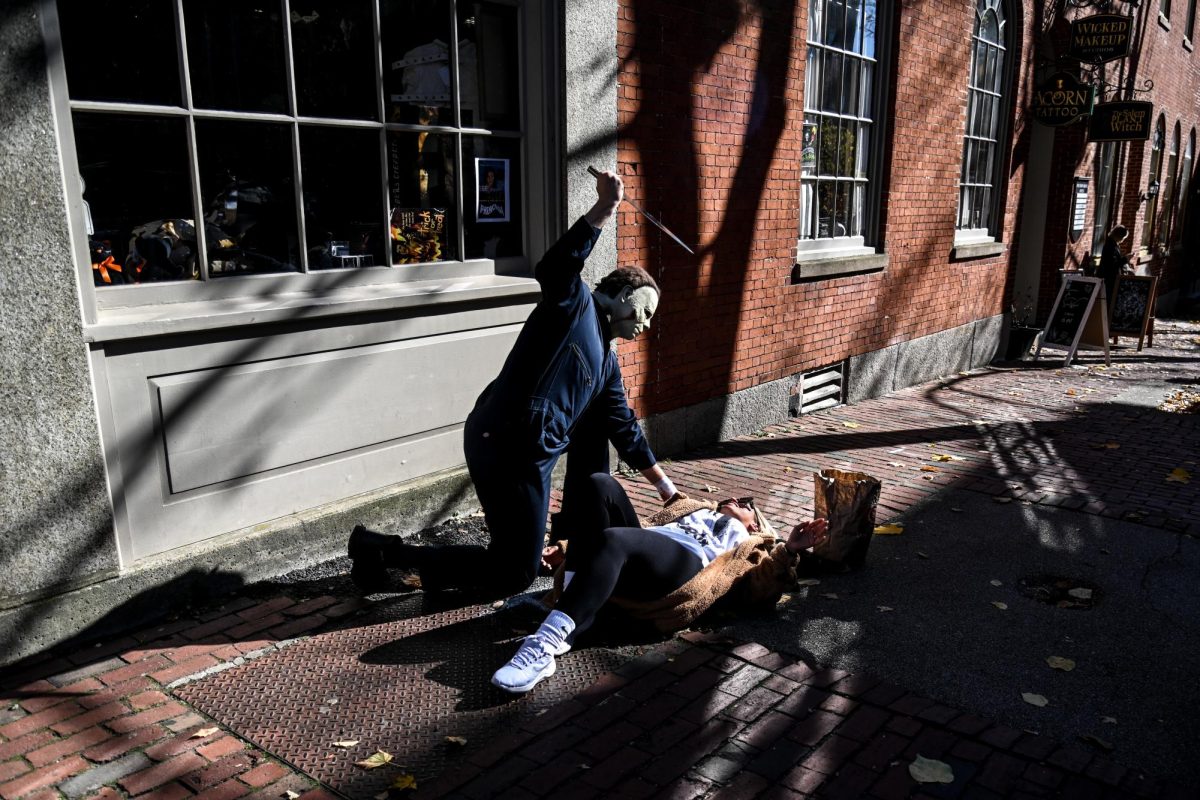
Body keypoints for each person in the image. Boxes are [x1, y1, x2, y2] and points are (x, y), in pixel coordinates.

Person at [349, 170, 677, 597]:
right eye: (645, 310)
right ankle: (384, 554)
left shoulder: (606, 363)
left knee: (516, 561)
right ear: (622, 295)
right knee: (514, 574)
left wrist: (667, 490)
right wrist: (605, 208)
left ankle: (388, 553)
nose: (646, 324)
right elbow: (555, 266)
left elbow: (624, 426)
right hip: (506, 445)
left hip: (527, 455)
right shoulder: (572, 306)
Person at [491, 473, 830, 693]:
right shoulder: (696, 508)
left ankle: (545, 645)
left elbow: (759, 591)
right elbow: (647, 526)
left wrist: (789, 549)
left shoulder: (753, 546)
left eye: (746, 506)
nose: (737, 501)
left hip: (682, 568)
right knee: (597, 482)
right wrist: (568, 549)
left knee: (613, 540)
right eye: (736, 498)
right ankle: (576, 614)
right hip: (647, 549)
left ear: (756, 526)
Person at [1097, 224, 1132, 303]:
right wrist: (1126, 259)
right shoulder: (1110, 246)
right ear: (1119, 236)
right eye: (1123, 238)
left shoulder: (1114, 244)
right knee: (1108, 301)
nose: (1123, 240)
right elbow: (1112, 264)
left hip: (1111, 278)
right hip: (1108, 279)